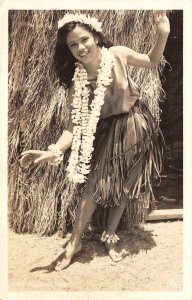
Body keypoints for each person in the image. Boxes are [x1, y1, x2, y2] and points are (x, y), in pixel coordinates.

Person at [20, 11, 170, 271]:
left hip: (135, 124)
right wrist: (53, 151)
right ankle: (74, 243)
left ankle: (110, 237)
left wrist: (163, 33)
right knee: (94, 186)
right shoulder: (77, 83)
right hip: (106, 132)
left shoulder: (119, 55)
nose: (80, 47)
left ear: (96, 36)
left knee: (125, 185)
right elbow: (72, 126)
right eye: (73, 44)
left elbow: (152, 60)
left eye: (84, 39)